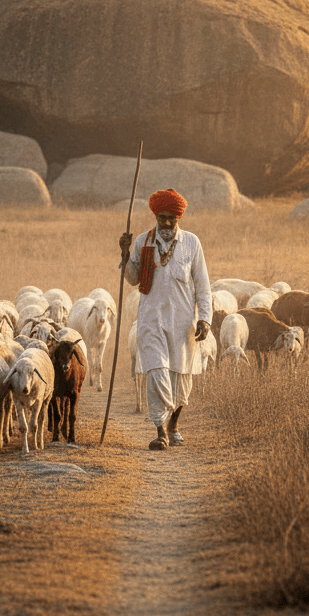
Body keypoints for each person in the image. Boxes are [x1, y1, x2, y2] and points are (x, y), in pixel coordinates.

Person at [119, 188, 212, 450]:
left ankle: (174, 425)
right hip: (151, 319)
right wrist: (125, 254)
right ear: (156, 217)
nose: (167, 223)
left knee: (181, 374)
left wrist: (205, 318)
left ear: (178, 218)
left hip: (183, 320)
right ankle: (160, 431)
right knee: (156, 370)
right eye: (163, 218)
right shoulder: (143, 242)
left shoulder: (192, 243)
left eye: (172, 218)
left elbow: (202, 284)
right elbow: (132, 278)